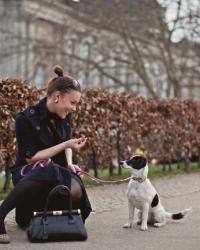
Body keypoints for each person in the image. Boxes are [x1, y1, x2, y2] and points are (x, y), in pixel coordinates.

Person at [0, 65, 92, 243]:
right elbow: (31, 158)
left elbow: (67, 141)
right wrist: (66, 144)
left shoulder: (65, 115)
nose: (74, 108)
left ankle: (43, 215)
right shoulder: (25, 118)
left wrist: (70, 162)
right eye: (73, 103)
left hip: (57, 170)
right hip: (29, 172)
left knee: (77, 189)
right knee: (47, 169)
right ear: (57, 97)